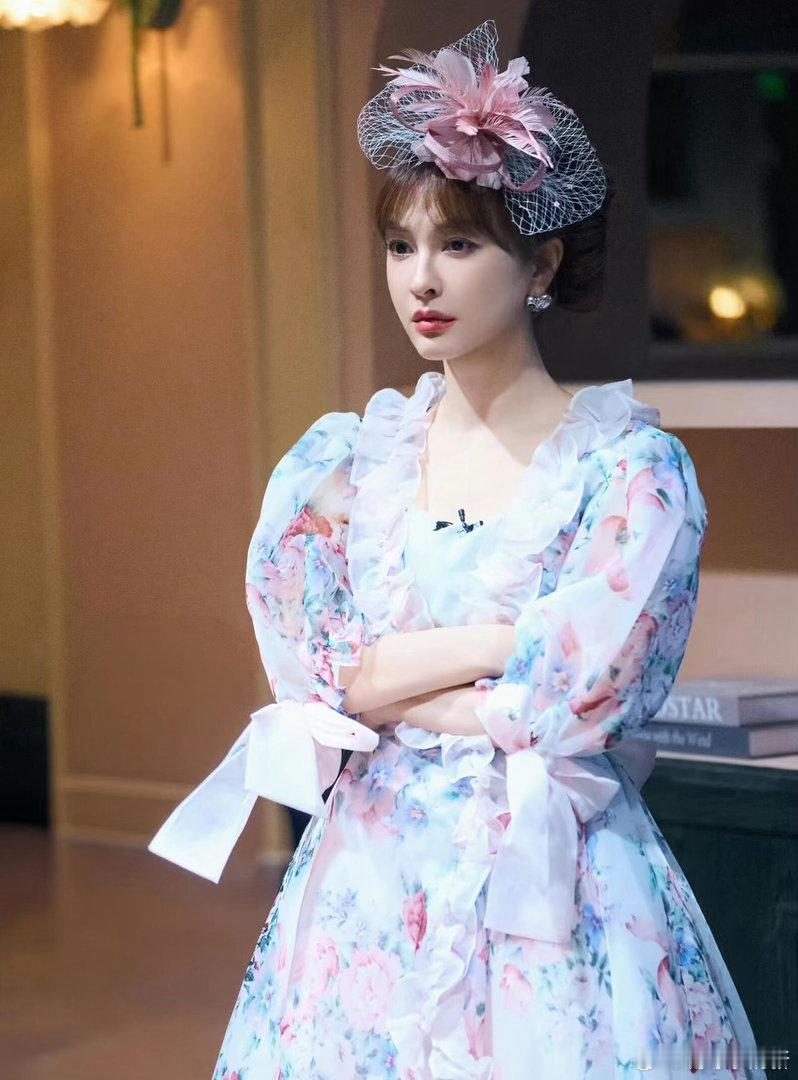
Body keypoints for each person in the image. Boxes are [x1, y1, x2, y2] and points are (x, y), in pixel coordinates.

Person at [148, 19, 767, 1080]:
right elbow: (319, 675)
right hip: (368, 885)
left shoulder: (628, 471)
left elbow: (579, 699)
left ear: (542, 262)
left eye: (459, 245)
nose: (421, 281)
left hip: (552, 890)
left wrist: (398, 687)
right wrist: (505, 640)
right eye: (401, 247)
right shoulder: (344, 464)